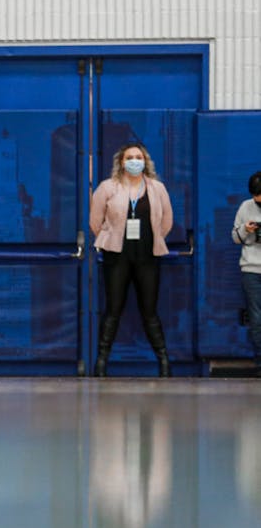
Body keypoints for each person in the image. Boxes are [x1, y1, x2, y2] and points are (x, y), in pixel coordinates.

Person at [90, 143, 175, 377]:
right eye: (130, 157)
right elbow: (95, 222)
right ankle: (101, 364)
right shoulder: (107, 187)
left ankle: (164, 363)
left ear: (146, 162)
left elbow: (166, 221)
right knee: (113, 309)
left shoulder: (157, 188)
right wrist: (109, 239)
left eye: (139, 157)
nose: (135, 161)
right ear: (121, 162)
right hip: (117, 257)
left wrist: (155, 239)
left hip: (148, 257)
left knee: (149, 311)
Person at [231, 171, 261, 374]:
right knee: (257, 318)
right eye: (256, 198)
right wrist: (245, 230)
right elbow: (234, 237)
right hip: (252, 269)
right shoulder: (245, 207)